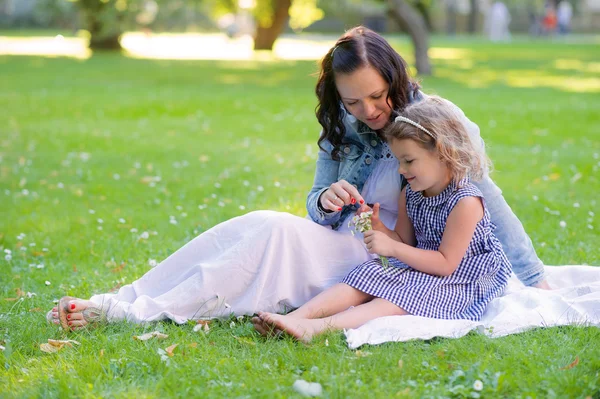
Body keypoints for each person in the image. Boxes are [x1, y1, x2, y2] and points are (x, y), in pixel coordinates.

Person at [47, 26, 549, 332]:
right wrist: (328, 200)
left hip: (390, 258)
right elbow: (314, 204)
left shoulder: (433, 123)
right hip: (346, 242)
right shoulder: (341, 126)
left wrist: (533, 278)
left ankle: (135, 312)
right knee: (253, 226)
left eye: (377, 96)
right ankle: (125, 296)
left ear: (394, 79)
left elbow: (486, 200)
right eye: (353, 102)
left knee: (270, 232)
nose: (369, 111)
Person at [253, 96, 512, 342]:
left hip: (465, 279)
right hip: (425, 266)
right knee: (369, 271)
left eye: (409, 160)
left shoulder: (465, 202)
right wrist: (379, 228)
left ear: (444, 153)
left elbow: (445, 264)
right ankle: (297, 317)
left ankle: (315, 329)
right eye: (400, 160)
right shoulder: (411, 191)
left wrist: (393, 247)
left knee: (402, 295)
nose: (401, 169)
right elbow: (404, 240)